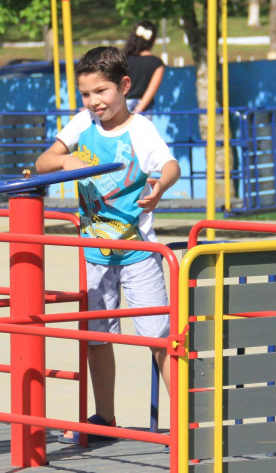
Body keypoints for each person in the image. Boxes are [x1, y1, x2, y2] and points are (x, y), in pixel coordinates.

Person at [35, 46, 181, 443]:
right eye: (86, 94)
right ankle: (105, 416)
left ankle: (188, 423)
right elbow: (42, 162)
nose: (94, 101)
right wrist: (65, 162)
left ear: (124, 86)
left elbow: (170, 165)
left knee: (160, 338)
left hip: (138, 251)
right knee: (97, 337)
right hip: (94, 252)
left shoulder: (140, 129)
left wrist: (160, 186)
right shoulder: (82, 124)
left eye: (102, 91)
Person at [123, 20, 165, 114]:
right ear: (153, 40)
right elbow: (151, 90)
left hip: (120, 106)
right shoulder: (157, 63)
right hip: (143, 108)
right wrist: (138, 110)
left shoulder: (123, 58)